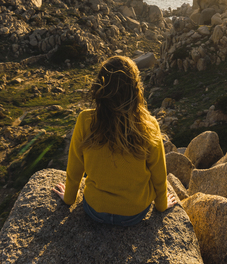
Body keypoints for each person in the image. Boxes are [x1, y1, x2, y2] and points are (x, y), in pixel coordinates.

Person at [53, 55, 177, 226]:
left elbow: (75, 168)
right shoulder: (149, 125)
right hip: (134, 213)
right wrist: (162, 205)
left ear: (100, 87)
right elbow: (158, 173)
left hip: (95, 210)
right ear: (135, 89)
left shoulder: (85, 120)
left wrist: (68, 199)